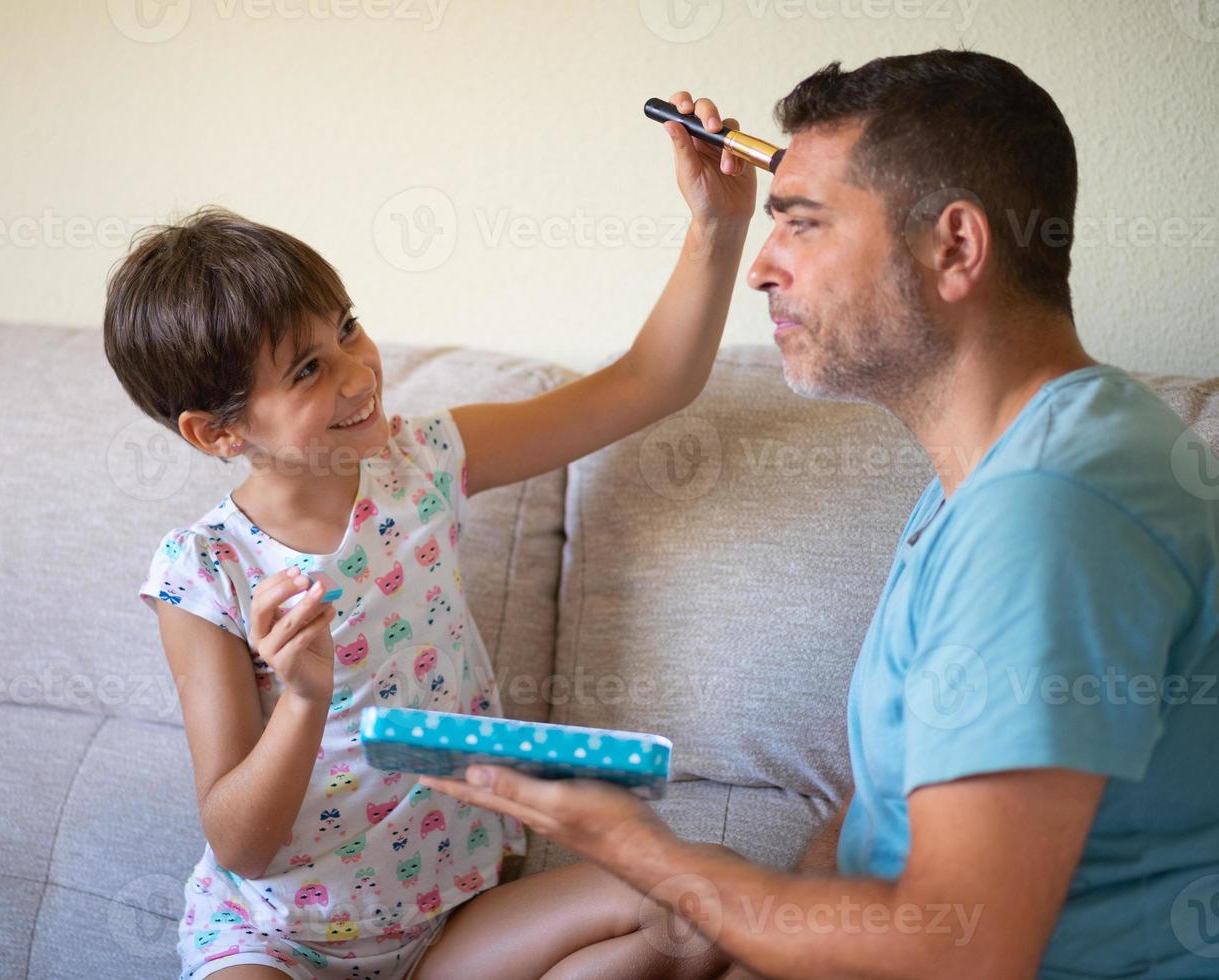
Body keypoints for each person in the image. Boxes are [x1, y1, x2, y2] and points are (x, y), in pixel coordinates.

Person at [426, 50, 1219, 978]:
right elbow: (890, 805)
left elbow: (960, 953)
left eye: (802, 225)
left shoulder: (1052, 516)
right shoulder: (1005, 471)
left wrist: (644, 852)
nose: (764, 269)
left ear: (955, 248)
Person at [102, 85, 758, 979]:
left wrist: (713, 228)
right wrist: (302, 697)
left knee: (702, 906)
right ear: (219, 431)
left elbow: (646, 383)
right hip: (278, 940)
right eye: (306, 368)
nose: (357, 371)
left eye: (348, 329)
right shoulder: (204, 571)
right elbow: (242, 843)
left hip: (445, 928)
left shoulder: (426, 460)